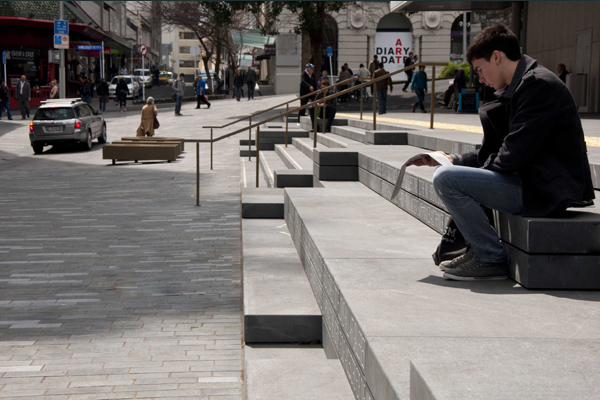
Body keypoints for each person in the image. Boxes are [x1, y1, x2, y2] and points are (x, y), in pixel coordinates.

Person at [408, 23, 595, 281]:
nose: (480, 78)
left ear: (496, 57)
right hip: (533, 181)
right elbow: (500, 151)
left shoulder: (537, 85)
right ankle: (481, 251)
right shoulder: (522, 85)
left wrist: (467, 177)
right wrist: (451, 159)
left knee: (446, 179)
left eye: (480, 70)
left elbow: (512, 154)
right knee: (447, 170)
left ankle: (490, 256)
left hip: (544, 189)